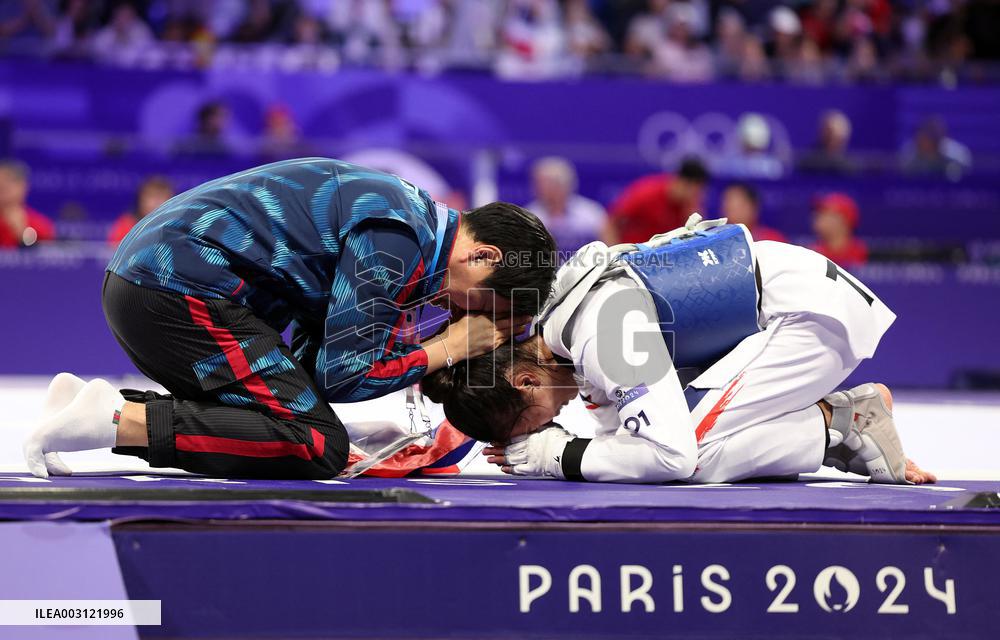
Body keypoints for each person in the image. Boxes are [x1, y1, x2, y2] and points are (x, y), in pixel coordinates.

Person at [23, 157, 557, 480]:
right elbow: (342, 374)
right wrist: (450, 348)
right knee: (316, 444)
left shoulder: (409, 223)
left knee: (314, 429)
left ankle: (82, 404)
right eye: (484, 309)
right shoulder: (397, 239)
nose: (463, 316)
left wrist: (362, 429)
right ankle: (116, 419)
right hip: (173, 291)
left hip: (151, 285)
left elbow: (310, 366)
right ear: (483, 256)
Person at [423, 216, 936, 486]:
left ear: (525, 381)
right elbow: (625, 442)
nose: (550, 423)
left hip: (806, 319)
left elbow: (668, 455)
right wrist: (567, 454)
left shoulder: (600, 328)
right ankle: (835, 426)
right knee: (657, 446)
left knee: (691, 455)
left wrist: (553, 456)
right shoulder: (564, 335)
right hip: (784, 309)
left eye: (532, 425)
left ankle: (838, 423)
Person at [602, 156, 708, 246]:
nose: (696, 195)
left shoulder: (690, 204)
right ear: (683, 183)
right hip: (634, 255)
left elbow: (695, 238)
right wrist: (614, 255)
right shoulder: (646, 193)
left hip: (664, 258)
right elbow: (611, 224)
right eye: (694, 190)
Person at [526, 157, 606, 253]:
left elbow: (610, 248)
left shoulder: (591, 212)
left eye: (545, 183)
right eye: (537, 183)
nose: (538, 188)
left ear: (563, 184)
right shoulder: (530, 215)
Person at [0, 159, 55, 249]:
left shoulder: (39, 224)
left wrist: (22, 233)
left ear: (24, 186)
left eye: (9, 181)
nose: (3, 186)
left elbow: (44, 254)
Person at [107, 175, 175, 245]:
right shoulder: (126, 224)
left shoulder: (177, 226)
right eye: (152, 197)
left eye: (161, 197)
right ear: (141, 200)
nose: (156, 202)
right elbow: (114, 248)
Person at [810, 192, 868, 268]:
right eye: (818, 213)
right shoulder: (812, 254)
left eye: (826, 213)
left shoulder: (866, 253)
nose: (818, 217)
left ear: (844, 220)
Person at [720, 182, 786, 243]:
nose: (730, 208)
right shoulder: (718, 240)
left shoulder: (772, 240)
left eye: (740, 206)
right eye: (728, 204)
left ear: (754, 207)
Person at [797, 110, 857, 175]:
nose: (830, 139)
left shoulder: (852, 168)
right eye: (827, 133)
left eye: (835, 136)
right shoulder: (804, 163)